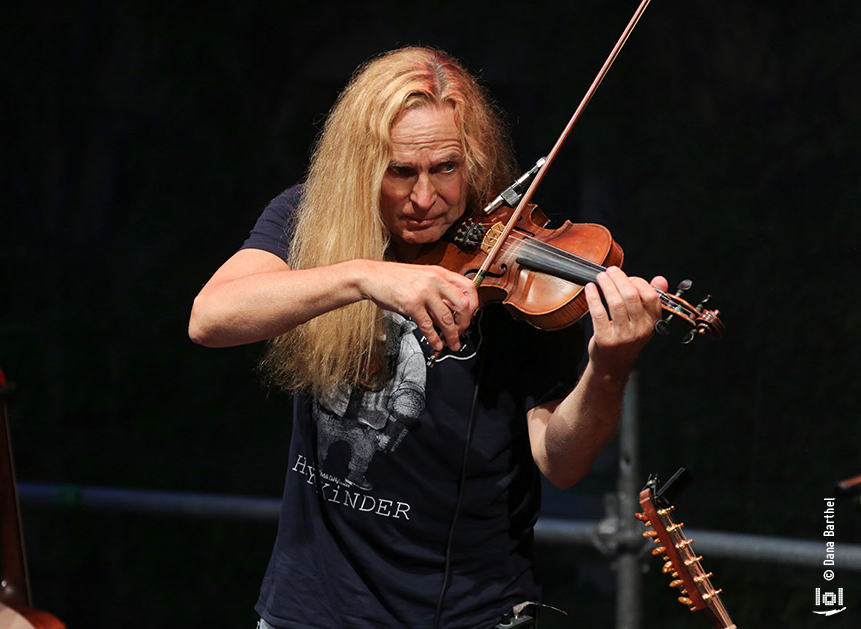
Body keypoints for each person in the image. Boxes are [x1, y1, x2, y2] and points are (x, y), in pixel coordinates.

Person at [188, 47, 666, 629]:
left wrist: (609, 369)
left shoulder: (525, 277)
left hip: (467, 614)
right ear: (361, 167)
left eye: (446, 168)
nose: (424, 199)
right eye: (400, 172)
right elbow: (210, 318)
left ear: (476, 160)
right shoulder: (314, 220)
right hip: (309, 610)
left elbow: (560, 461)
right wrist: (364, 275)